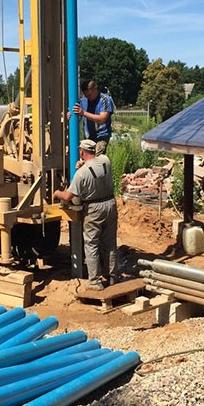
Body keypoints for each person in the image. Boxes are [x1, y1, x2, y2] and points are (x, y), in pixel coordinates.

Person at [53, 139, 118, 291]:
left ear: (82, 152)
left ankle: (95, 281)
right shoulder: (105, 161)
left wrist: (57, 193)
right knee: (109, 243)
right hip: (110, 204)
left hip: (94, 209)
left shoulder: (81, 174)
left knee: (91, 245)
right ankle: (112, 276)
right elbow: (95, 169)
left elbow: (69, 197)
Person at [72, 80, 114, 156]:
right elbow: (76, 114)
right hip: (88, 137)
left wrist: (83, 113)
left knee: (96, 158)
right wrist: (70, 115)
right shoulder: (83, 101)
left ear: (95, 88)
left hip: (101, 136)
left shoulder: (105, 99)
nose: (88, 97)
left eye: (90, 95)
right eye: (86, 95)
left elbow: (102, 119)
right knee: (85, 158)